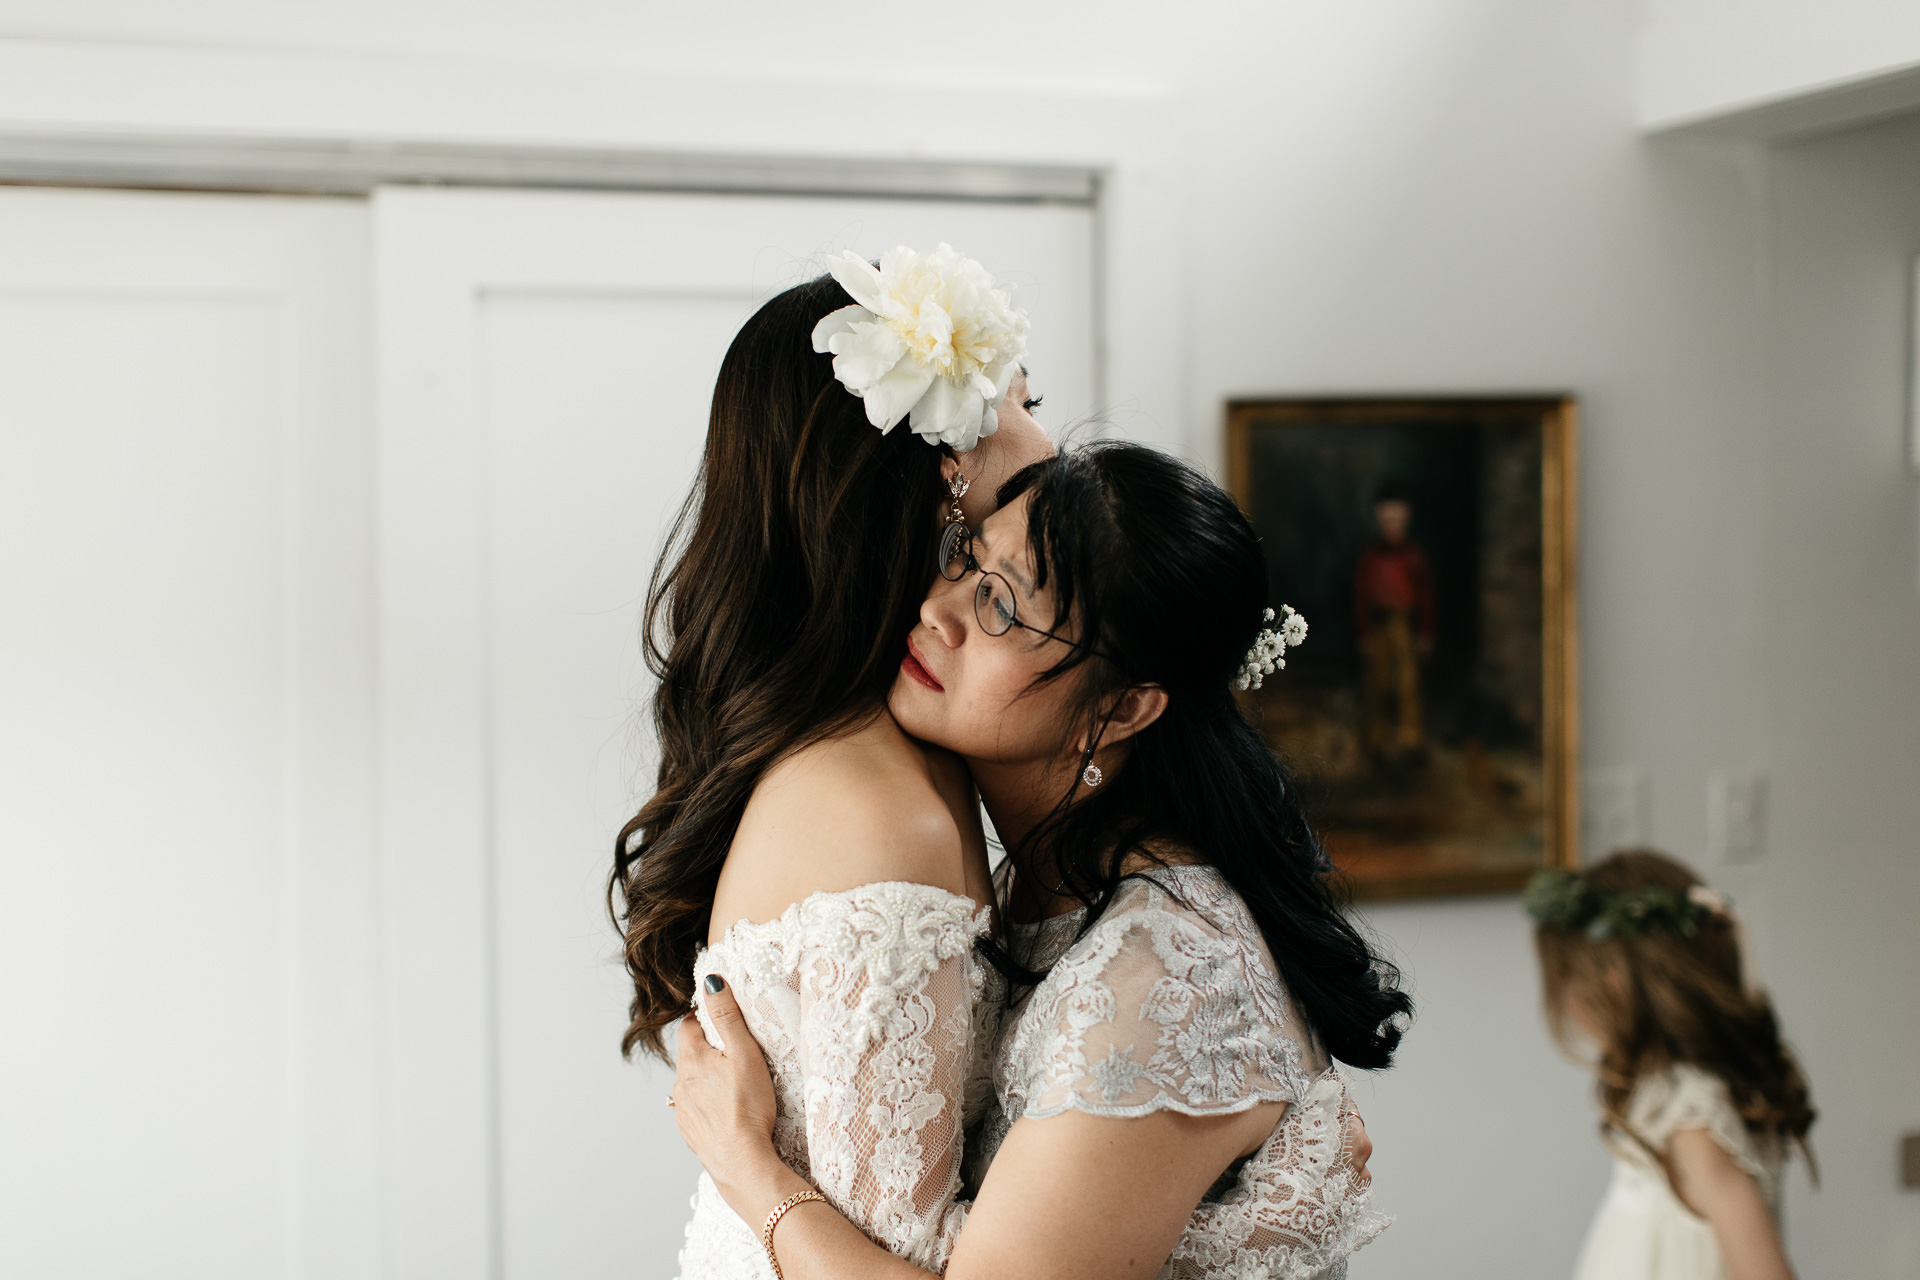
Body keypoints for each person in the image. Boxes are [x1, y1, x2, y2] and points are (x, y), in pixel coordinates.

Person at [673, 440, 1413, 1280]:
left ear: (1127, 706)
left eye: (999, 608)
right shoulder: (1049, 887)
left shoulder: (1170, 973)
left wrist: (750, 1172)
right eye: (965, 563)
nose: (937, 610)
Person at [607, 244, 1054, 1278]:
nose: (1047, 441)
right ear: (949, 475)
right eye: (1027, 401)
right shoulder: (875, 808)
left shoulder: (888, 744)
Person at [1525, 851, 1817, 1280]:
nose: (1569, 999)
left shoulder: (1692, 1117)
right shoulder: (1672, 1093)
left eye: (1572, 976)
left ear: (1612, 980)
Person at [1352, 481, 1434, 763]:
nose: (1392, 525)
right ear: (1379, 518)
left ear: (1406, 518)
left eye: (1397, 519)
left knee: (1408, 683)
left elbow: (1425, 595)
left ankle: (1411, 742)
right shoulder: (1370, 557)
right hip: (1378, 626)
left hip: (1404, 625)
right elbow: (1361, 595)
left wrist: (1425, 630)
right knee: (1378, 683)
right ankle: (1377, 743)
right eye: (1387, 519)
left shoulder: (1414, 556)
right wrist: (1363, 632)